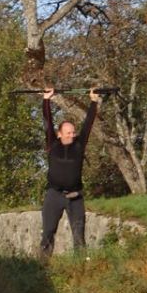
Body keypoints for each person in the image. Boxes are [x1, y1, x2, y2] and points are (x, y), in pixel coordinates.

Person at [39, 86, 101, 258]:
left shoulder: (79, 146)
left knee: (78, 235)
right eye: (68, 133)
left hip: (75, 197)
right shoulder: (52, 144)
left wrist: (94, 102)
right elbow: (47, 122)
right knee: (48, 233)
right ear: (59, 134)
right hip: (54, 195)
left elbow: (88, 124)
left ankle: (80, 268)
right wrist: (46, 100)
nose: (71, 136)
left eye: (73, 133)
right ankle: (41, 268)